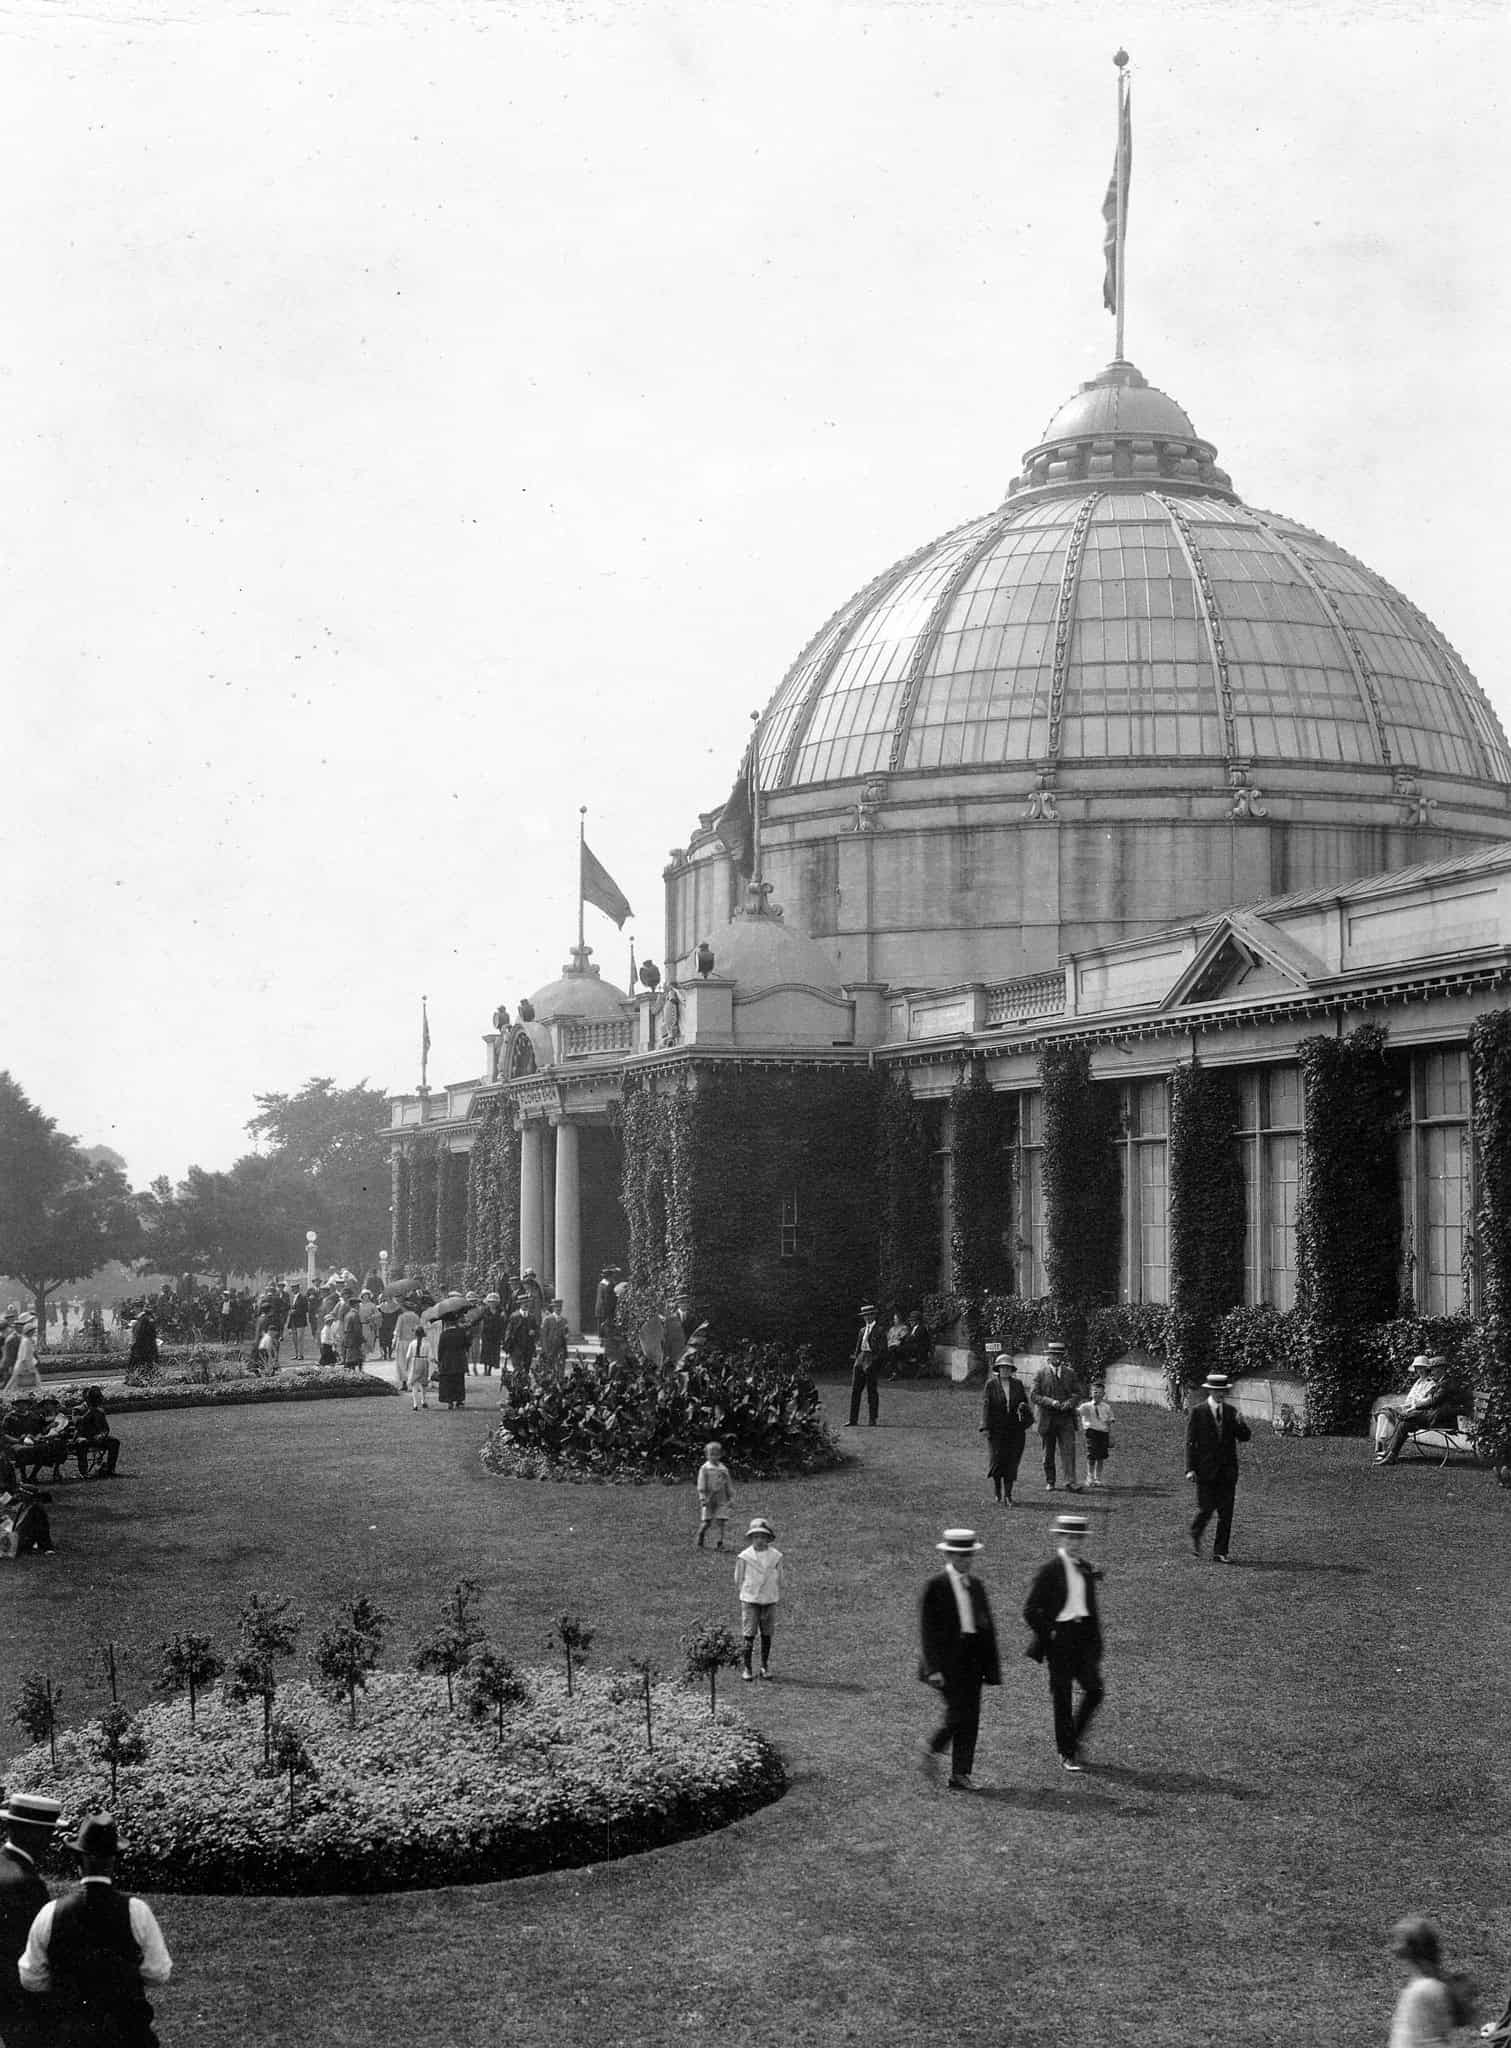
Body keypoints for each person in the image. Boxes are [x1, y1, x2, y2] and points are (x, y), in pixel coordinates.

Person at [20, 1812, 172, 2048]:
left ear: (77, 1859)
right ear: (114, 1861)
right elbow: (158, 1973)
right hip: (127, 2034)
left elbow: (31, 1978)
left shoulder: (51, 1913)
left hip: (72, 2035)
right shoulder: (136, 1911)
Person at [918, 1527, 1002, 1792]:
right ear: (948, 1555)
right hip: (946, 1663)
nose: (966, 1560)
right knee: (959, 1712)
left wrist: (991, 1668)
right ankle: (930, 1748)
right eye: (960, 1555)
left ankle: (960, 1774)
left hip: (972, 1661)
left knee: (971, 1718)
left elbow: (986, 1628)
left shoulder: (975, 1586)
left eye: (969, 1555)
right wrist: (933, 1668)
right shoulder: (936, 1586)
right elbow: (927, 1631)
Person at [1023, 1511, 1105, 1773]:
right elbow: (1030, 1610)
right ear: (1060, 1538)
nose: (1074, 1543)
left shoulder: (1084, 1568)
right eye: (1069, 1538)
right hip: (1060, 1639)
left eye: (1078, 1538)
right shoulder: (1049, 1571)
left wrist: (1095, 1641)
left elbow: (1090, 1606)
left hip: (1083, 1638)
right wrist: (1051, 1633)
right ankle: (1067, 1752)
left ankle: (1073, 1739)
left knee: (1095, 1690)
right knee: (1063, 1697)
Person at [0, 1791, 62, 2048]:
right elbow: (38, 1945)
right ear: (33, 1834)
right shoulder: (26, 1883)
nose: (50, 1841)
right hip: (16, 1993)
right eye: (47, 1833)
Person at [1185, 1370, 1252, 1562]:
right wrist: (1190, 1468)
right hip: (1205, 1471)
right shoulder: (1198, 1412)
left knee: (1226, 1513)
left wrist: (1242, 1424)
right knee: (1206, 1508)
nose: (1220, 1394)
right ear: (1210, 1391)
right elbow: (1190, 1442)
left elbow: (1244, 1437)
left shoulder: (1231, 1412)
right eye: (1217, 1391)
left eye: (1223, 1391)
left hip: (1227, 1472)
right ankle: (1195, 1533)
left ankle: (1220, 1552)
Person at [1385, 1916, 1470, 2046]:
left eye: (1399, 1943)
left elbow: (1432, 2042)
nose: (1394, 1948)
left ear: (1410, 1950)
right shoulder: (1427, 1986)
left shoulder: (1423, 1989)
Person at [1377, 1355, 1465, 1465]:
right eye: (1431, 1369)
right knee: (1404, 1424)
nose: (1431, 1372)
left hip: (1442, 1419)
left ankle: (1391, 1450)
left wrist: (1417, 1406)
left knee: (1406, 1417)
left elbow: (1434, 1401)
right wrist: (1422, 1402)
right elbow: (1430, 1395)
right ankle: (1391, 1454)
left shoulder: (1447, 1383)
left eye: (1433, 1369)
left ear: (1442, 1369)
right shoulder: (1440, 1382)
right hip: (1434, 1415)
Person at [734, 1517, 785, 1681]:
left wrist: (774, 1591)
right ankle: (747, 1667)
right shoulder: (745, 1557)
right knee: (749, 1633)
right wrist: (746, 1592)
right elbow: (738, 1577)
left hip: (769, 1600)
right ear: (751, 1538)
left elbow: (780, 1577)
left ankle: (764, 1665)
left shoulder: (775, 1556)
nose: (759, 1540)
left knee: (767, 1633)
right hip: (750, 1600)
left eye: (763, 1537)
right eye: (756, 1537)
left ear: (768, 1538)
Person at [980, 1352, 1034, 1503]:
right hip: (996, 1430)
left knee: (1012, 1461)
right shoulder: (991, 1384)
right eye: (1002, 1367)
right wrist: (985, 1427)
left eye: (1008, 1368)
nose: (1005, 1370)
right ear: (998, 1369)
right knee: (997, 1461)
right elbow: (986, 1406)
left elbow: (1024, 1403)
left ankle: (1008, 1495)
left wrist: (1023, 1409)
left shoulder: (1017, 1384)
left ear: (1012, 1370)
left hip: (1015, 1430)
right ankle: (998, 1491)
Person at [1032, 1340, 1082, 1492]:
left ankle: (1070, 1481)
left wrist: (1070, 1403)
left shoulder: (1070, 1373)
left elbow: (1078, 1393)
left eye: (1059, 1355)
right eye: (1054, 1355)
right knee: (1048, 1452)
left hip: (1066, 1418)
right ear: (1049, 1356)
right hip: (1047, 1418)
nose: (1057, 1358)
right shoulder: (1040, 1374)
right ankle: (1050, 1481)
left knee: (1069, 1450)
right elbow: (1034, 1395)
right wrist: (1051, 1402)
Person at [429, 1298, 474, 1410]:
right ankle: (459, 1400)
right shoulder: (461, 1332)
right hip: (459, 1359)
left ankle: (450, 1401)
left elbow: (441, 1349)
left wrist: (439, 1361)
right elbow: (467, 1345)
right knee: (459, 1381)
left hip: (447, 1360)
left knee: (448, 1382)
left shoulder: (444, 1334)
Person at [847, 1301, 885, 1428]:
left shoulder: (879, 1330)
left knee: (871, 1390)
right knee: (855, 1390)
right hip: (861, 1359)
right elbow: (858, 1348)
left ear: (874, 1315)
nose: (867, 1318)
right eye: (865, 1315)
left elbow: (882, 1350)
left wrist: (874, 1362)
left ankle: (872, 1419)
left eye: (869, 1315)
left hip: (871, 1359)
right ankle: (853, 1419)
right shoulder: (862, 1330)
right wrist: (857, 1359)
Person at [74, 1386, 121, 1478]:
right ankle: (84, 1472)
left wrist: (102, 1435)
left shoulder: (100, 1411)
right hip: (83, 1436)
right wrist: (90, 1412)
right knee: (82, 1443)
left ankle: (110, 1469)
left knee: (114, 1442)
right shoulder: (77, 1409)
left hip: (97, 1438)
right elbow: (78, 1424)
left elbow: (105, 1428)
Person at [695, 1440, 735, 1550]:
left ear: (720, 1455)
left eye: (716, 1454)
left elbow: (728, 1484)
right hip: (708, 1499)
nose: (714, 1457)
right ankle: (701, 1535)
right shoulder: (705, 1469)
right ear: (707, 1455)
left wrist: (731, 1497)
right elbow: (701, 1484)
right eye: (711, 1454)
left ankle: (719, 1543)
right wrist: (702, 1497)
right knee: (707, 1522)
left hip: (721, 1499)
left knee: (721, 1521)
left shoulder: (723, 1469)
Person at [1079, 1376, 1114, 1489]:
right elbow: (1077, 1413)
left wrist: (1110, 1436)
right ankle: (1090, 1478)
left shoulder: (1107, 1407)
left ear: (1104, 1394)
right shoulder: (1085, 1406)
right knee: (1091, 1455)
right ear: (1091, 1393)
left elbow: (1109, 1422)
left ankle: (1098, 1478)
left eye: (1100, 1392)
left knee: (1101, 1456)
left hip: (1103, 1433)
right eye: (1095, 1392)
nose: (1097, 1394)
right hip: (1091, 1433)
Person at [404, 1321, 433, 1410]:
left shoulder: (412, 1343)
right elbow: (431, 1357)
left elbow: (408, 1356)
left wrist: (406, 1366)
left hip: (415, 1362)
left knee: (414, 1385)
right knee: (423, 1384)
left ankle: (415, 1404)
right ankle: (423, 1401)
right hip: (424, 1363)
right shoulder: (427, 1344)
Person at [477, 1293, 506, 1376]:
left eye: (494, 1302)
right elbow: (478, 1319)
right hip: (486, 1335)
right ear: (488, 1302)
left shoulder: (501, 1311)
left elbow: (503, 1324)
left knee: (493, 1352)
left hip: (496, 1335)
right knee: (486, 1352)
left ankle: (490, 1369)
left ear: (497, 1303)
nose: (492, 1304)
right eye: (490, 1302)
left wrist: (502, 1336)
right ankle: (485, 1369)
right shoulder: (485, 1310)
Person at [538, 1299, 569, 1372]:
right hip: (550, 1348)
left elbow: (566, 1334)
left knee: (560, 1369)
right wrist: (545, 1350)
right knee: (549, 1370)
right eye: (556, 1307)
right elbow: (543, 1336)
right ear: (553, 1308)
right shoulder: (547, 1319)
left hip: (560, 1348)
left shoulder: (564, 1320)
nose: (558, 1308)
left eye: (560, 1307)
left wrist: (566, 1336)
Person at [126, 1306, 158, 1373]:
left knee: (138, 1366)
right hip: (144, 1348)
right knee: (146, 1367)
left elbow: (143, 1335)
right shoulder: (142, 1320)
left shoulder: (144, 1320)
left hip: (143, 1349)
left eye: (134, 1308)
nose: (133, 1311)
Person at [340, 1294, 367, 1372]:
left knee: (350, 1356)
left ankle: (353, 1371)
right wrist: (362, 1339)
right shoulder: (355, 1315)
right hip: (354, 1338)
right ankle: (358, 1372)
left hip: (347, 1337)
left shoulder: (348, 1314)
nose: (359, 1306)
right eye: (358, 1305)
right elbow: (357, 1329)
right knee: (357, 1356)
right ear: (355, 1305)